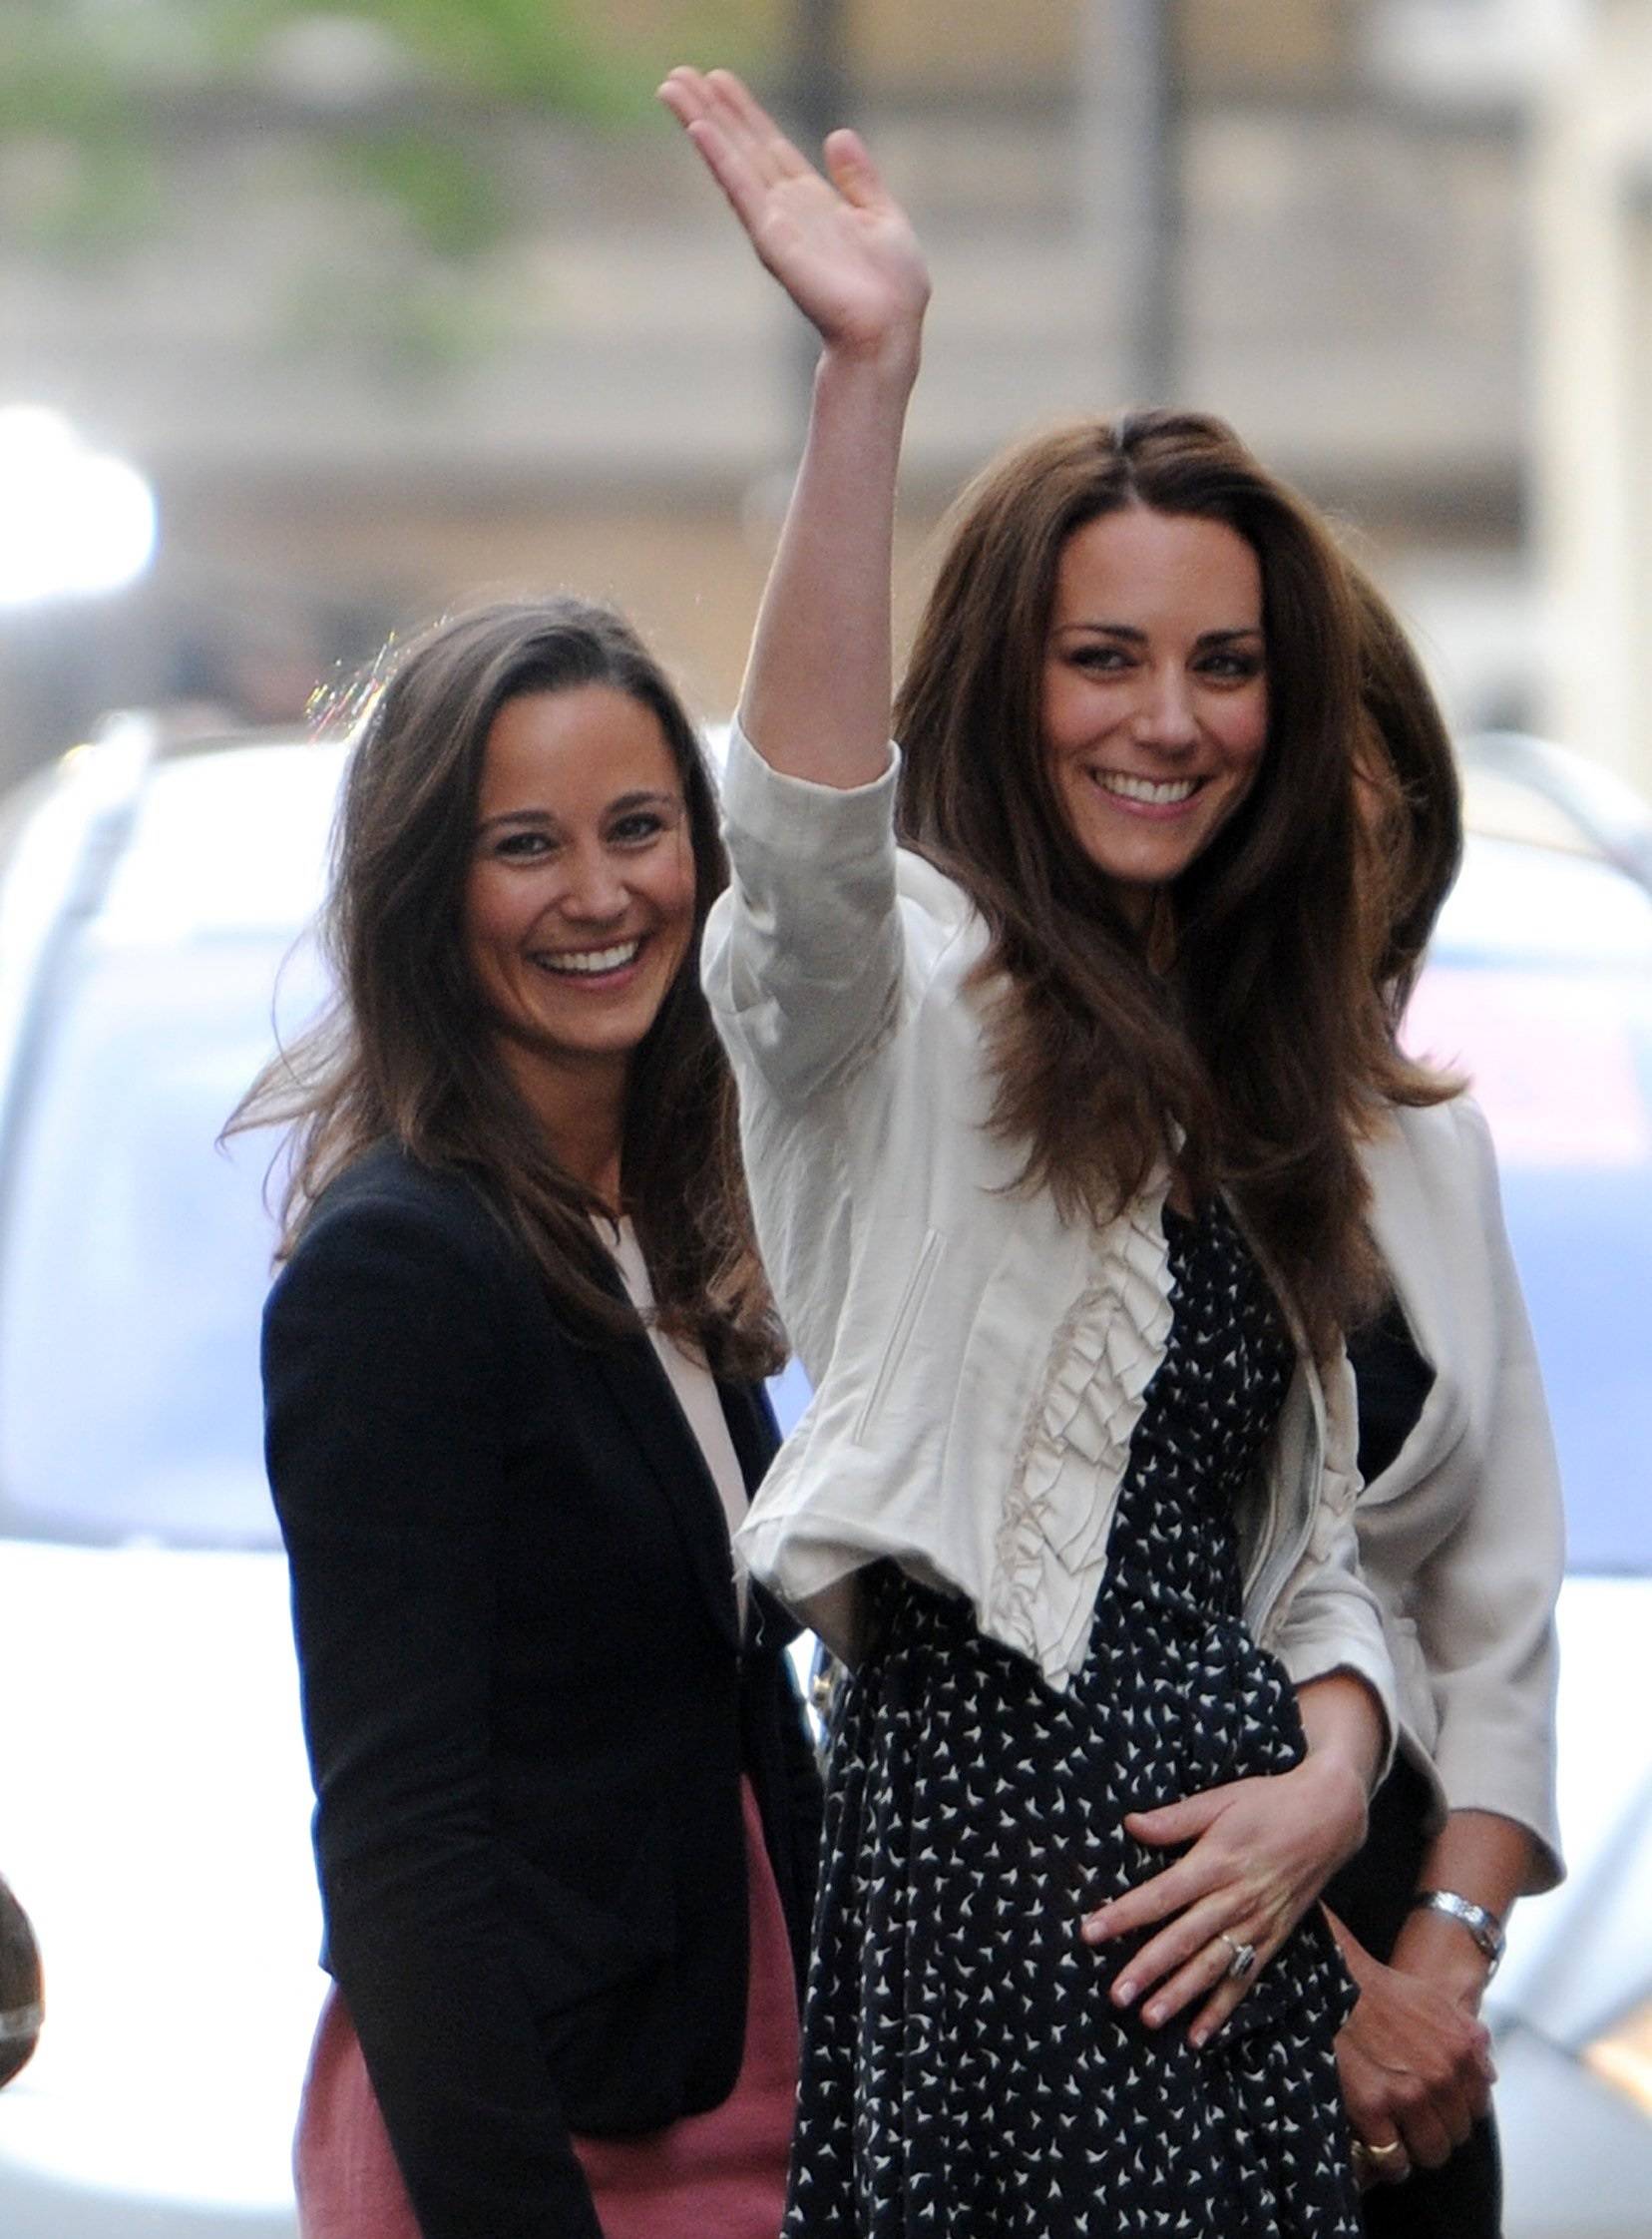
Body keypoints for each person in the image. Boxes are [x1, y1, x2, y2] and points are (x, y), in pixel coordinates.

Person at [659, 66, 1431, 2237]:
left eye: (1222, 667)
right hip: (996, 1887)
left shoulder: (1259, 1064)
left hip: (1241, 1919)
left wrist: (1329, 1788)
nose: (1165, 720)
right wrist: (866, 383)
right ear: (1012, 677)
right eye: (1103, 660)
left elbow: (1314, 1558)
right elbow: (797, 851)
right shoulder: (895, 995)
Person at [239, 598, 822, 2239]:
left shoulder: (658, 1218)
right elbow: (399, 1825)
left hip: (731, 2071)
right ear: (431, 895)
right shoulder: (402, 1270)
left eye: (639, 828)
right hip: (541, 2144)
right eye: (524, 845)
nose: (599, 894)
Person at [1324, 571, 1566, 2223]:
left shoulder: (1432, 1148)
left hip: (1416, 2010)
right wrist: (1335, 1993)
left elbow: (1502, 1624)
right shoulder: (1050, 1139)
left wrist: (1438, 1965)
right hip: (1135, 1949)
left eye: (1368, 801)